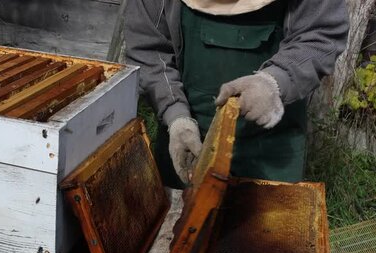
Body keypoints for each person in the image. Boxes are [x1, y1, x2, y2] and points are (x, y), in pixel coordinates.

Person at [125, 0, 349, 188]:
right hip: (189, 140)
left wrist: (275, 81)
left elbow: (320, 35)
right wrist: (175, 116)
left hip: (271, 144)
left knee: (265, 232)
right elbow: (148, 50)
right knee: (178, 228)